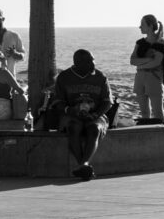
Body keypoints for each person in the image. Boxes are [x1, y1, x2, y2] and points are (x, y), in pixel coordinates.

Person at [46, 49, 114, 181]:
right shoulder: (64, 77)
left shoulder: (100, 77)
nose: (93, 64)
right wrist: (71, 111)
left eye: (93, 60)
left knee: (94, 129)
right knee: (73, 128)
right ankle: (83, 165)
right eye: (89, 62)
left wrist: (95, 115)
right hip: (71, 114)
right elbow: (58, 102)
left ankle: (83, 164)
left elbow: (107, 102)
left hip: (95, 115)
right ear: (78, 63)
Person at [130, 14, 164, 123]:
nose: (140, 27)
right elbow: (132, 60)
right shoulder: (140, 42)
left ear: (150, 26)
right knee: (144, 113)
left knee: (158, 113)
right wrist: (148, 59)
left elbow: (156, 62)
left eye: (142, 24)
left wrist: (140, 64)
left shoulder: (160, 42)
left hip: (154, 78)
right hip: (140, 78)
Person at [0, 9, 24, 78]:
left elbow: (23, 56)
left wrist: (15, 54)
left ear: (3, 19)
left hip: (11, 79)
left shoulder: (14, 36)